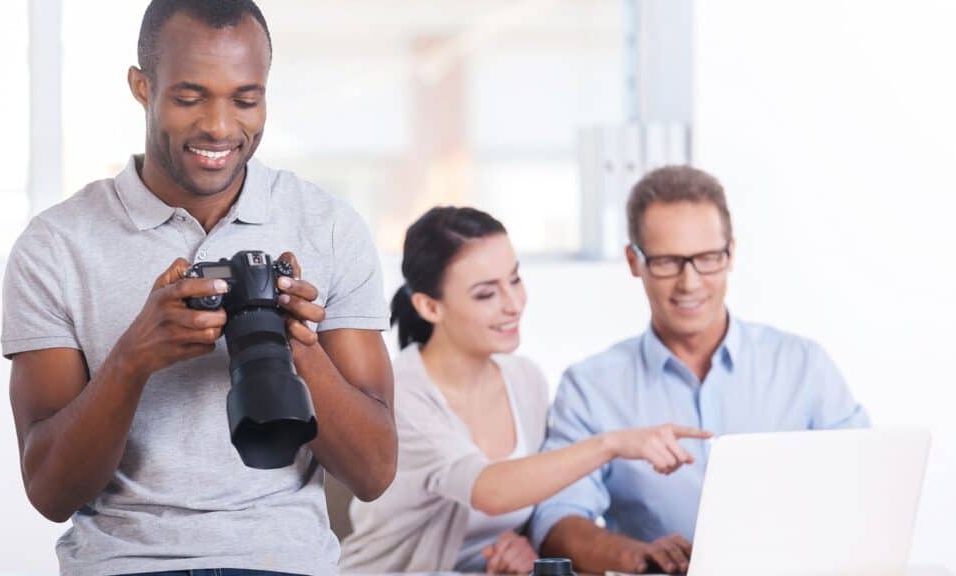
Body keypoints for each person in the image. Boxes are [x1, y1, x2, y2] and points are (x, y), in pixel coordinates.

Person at [1, 1, 397, 574]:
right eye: (190, 98)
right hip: (125, 564)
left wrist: (296, 344)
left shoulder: (328, 226)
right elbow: (49, 491)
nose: (219, 126)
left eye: (246, 100)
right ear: (142, 87)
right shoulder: (57, 244)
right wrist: (134, 357)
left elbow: (375, 473)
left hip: (282, 560)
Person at [529, 165, 871, 575]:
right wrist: (637, 557)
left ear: (731, 254)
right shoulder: (590, 387)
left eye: (708, 258)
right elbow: (557, 519)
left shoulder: (803, 366)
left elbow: (867, 483)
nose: (689, 283)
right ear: (634, 261)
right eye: (667, 262)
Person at [340, 206, 710, 574]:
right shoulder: (403, 393)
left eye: (515, 280)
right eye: (486, 294)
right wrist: (611, 444)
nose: (514, 304)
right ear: (429, 306)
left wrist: (524, 546)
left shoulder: (525, 380)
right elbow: (490, 491)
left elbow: (534, 492)